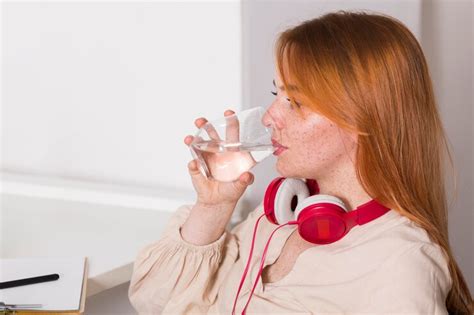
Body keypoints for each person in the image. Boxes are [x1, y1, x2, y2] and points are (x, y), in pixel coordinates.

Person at [128, 10, 473, 314]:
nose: (270, 117)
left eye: (296, 101)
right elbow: (154, 303)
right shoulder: (275, 219)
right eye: (277, 95)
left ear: (361, 119)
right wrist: (213, 207)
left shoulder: (400, 263)